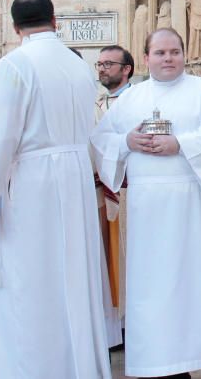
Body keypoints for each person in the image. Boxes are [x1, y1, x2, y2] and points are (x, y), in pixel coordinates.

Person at [0, 0, 111, 377]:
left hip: (32, 186)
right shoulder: (79, 67)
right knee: (74, 280)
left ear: (15, 28)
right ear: (55, 20)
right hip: (74, 180)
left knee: (29, 283)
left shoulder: (14, 65)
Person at [91, 28, 201, 378]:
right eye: (160, 53)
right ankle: (168, 363)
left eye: (174, 51)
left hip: (191, 201)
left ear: (184, 54)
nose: (168, 58)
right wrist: (127, 140)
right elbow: (102, 139)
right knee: (157, 286)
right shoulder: (131, 99)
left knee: (198, 282)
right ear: (145, 58)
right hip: (147, 209)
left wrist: (181, 144)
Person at [93, 44, 134, 351]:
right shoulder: (95, 103)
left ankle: (133, 322)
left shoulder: (138, 102)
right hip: (99, 193)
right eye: (100, 64)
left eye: (109, 63)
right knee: (106, 260)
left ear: (126, 69)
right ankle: (112, 326)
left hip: (130, 192)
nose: (102, 68)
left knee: (130, 259)